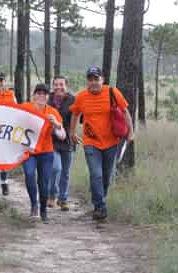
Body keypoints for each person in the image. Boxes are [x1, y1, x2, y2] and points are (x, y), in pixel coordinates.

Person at [69, 66, 134, 220]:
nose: (93, 82)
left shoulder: (113, 92)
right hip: (91, 142)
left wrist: (130, 132)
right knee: (96, 174)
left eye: (96, 79)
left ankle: (99, 199)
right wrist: (72, 132)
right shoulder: (81, 96)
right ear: (87, 81)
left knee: (107, 176)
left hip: (112, 142)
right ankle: (100, 207)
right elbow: (75, 114)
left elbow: (125, 112)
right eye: (90, 79)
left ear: (102, 80)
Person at [22, 84, 66, 223]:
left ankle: (43, 210)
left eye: (45, 94)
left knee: (44, 181)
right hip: (29, 151)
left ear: (48, 97)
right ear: (33, 95)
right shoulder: (24, 108)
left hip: (46, 152)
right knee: (29, 174)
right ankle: (34, 205)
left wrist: (57, 125)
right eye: (38, 93)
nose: (41, 96)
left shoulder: (52, 112)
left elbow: (62, 136)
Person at [47, 76, 76, 211]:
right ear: (53, 86)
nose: (59, 87)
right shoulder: (48, 99)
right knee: (55, 168)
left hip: (67, 140)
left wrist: (74, 133)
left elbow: (77, 117)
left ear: (66, 86)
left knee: (65, 172)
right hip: (51, 140)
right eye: (56, 84)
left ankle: (63, 199)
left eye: (61, 84)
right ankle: (51, 195)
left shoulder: (72, 100)